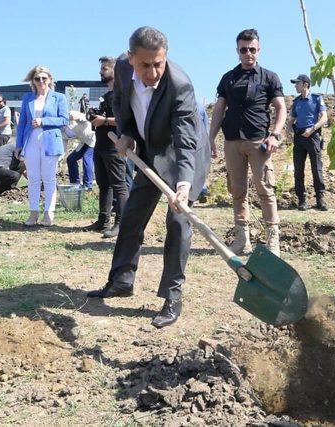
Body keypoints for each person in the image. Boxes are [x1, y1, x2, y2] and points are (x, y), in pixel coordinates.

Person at [86, 27, 210, 329]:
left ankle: (172, 295)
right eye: (145, 65)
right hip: (151, 152)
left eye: (159, 63)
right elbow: (120, 101)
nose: (153, 72)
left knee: (178, 222)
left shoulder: (179, 85)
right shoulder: (122, 67)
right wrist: (127, 133)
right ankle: (121, 280)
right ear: (131, 59)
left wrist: (183, 185)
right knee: (131, 215)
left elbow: (184, 140)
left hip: (186, 155)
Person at [209, 28, 287, 256]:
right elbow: (219, 110)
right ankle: (243, 240)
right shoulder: (228, 78)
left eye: (252, 49)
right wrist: (211, 137)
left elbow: (281, 108)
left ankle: (273, 241)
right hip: (233, 142)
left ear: (259, 50)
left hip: (259, 143)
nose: (248, 53)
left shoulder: (269, 77)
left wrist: (275, 134)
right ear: (237, 51)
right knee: (237, 191)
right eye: (244, 49)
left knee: (265, 189)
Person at [15, 66, 69, 227]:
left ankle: (48, 213)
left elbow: (64, 120)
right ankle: (33, 213)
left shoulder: (58, 97)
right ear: (33, 81)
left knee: (49, 178)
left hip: (50, 141)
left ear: (50, 80)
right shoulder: (27, 98)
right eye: (37, 79)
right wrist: (18, 145)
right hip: (31, 140)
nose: (41, 81)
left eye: (44, 78)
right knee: (33, 178)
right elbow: (22, 123)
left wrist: (43, 121)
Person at [84, 56, 127, 238]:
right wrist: (94, 118)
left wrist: (105, 121)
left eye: (104, 69)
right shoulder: (107, 95)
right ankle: (103, 220)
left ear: (115, 71)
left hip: (115, 146)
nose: (101, 72)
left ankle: (122, 224)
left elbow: (125, 121)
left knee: (119, 185)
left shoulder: (122, 94)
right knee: (104, 185)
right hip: (100, 145)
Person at [288, 74, 328, 211]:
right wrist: (288, 131)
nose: (295, 86)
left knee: (316, 168)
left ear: (305, 84)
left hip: (313, 136)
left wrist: (312, 129)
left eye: (297, 83)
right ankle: (302, 200)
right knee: (298, 170)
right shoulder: (297, 101)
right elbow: (291, 120)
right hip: (299, 137)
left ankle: (320, 199)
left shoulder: (317, 99)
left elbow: (324, 118)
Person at [65, 111, 95, 190]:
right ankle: (75, 184)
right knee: (70, 159)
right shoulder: (61, 132)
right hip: (84, 142)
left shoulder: (71, 114)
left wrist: (77, 117)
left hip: (92, 138)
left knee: (87, 157)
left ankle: (88, 186)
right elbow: (63, 147)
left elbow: (87, 117)